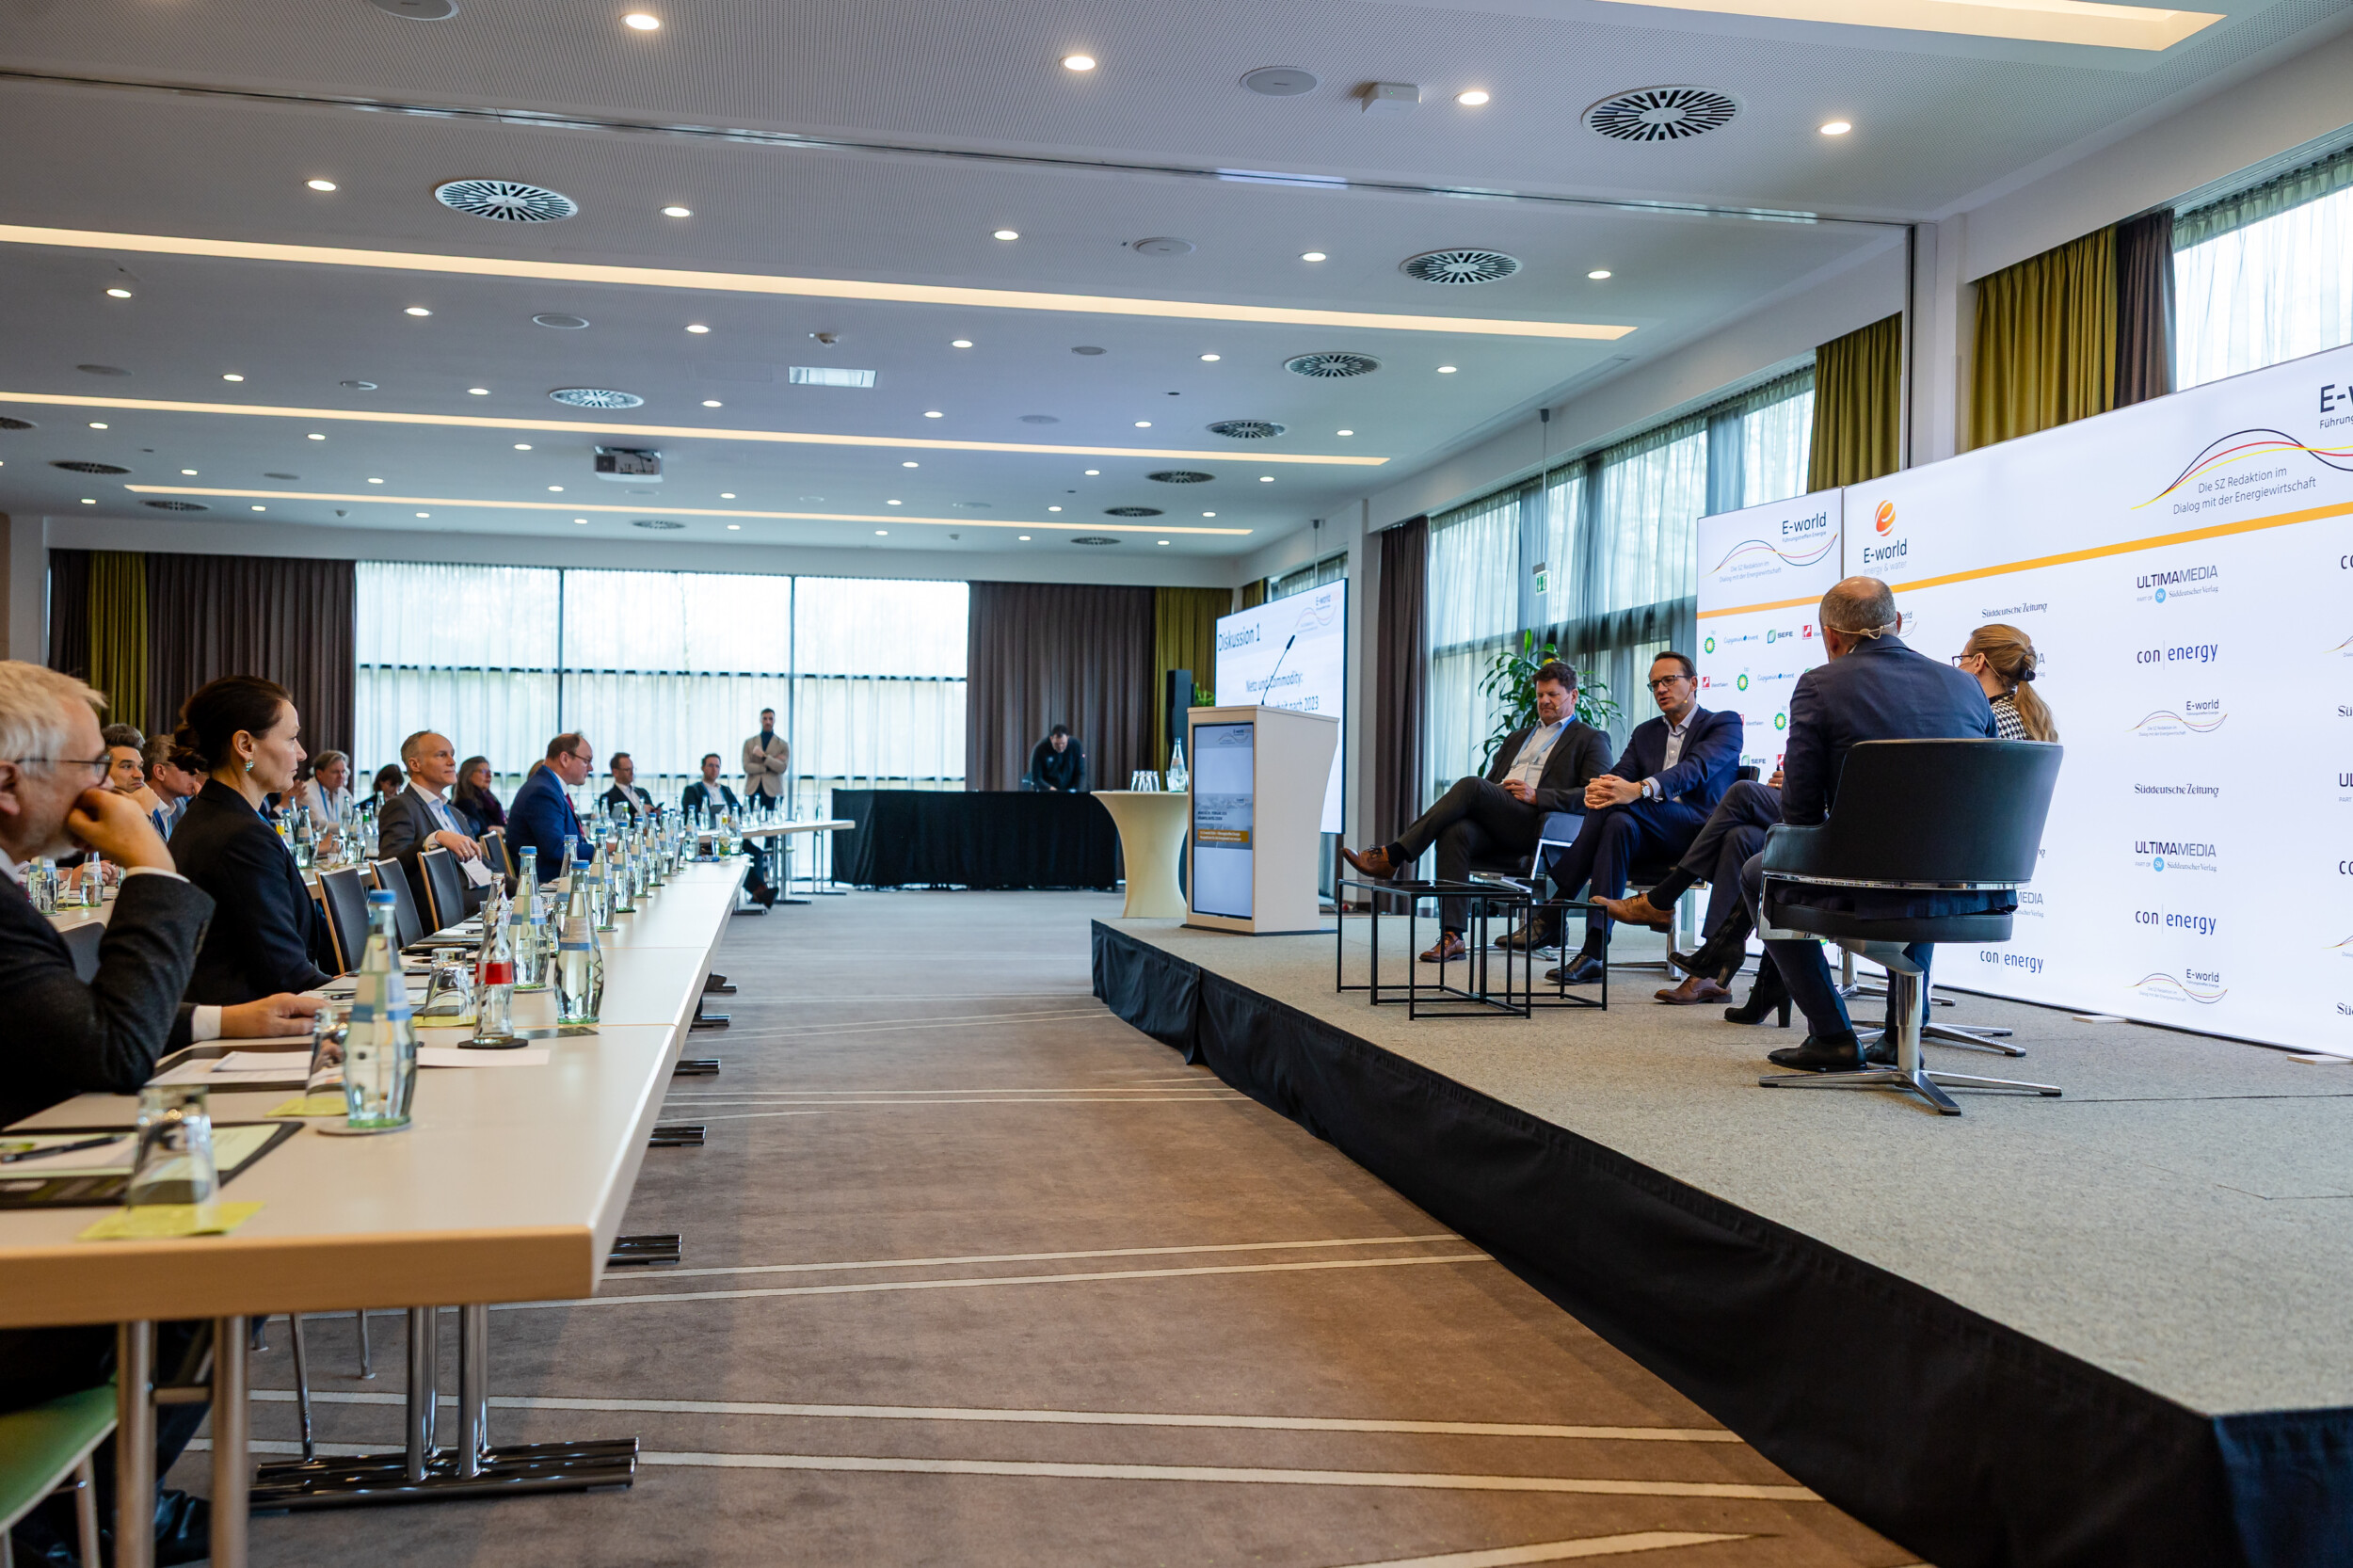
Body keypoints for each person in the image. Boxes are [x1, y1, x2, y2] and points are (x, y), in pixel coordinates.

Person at [1742, 577, 2004, 1073]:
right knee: (1929, 851)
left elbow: (1799, 814)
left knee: (1758, 872)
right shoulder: (1967, 686)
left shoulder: (1819, 685)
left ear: (1830, 636)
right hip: (1965, 886)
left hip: (1864, 886)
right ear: (1898, 623)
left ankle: (1832, 1036)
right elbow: (1982, 794)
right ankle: (1903, 1031)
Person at [1337, 662, 1612, 962]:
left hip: (1538, 824)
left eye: (1553, 695)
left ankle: (1394, 855)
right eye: (1540, 695)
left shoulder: (1590, 738)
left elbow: (1595, 794)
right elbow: (1492, 784)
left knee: (1471, 785)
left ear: (1573, 696)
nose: (1545, 701)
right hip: (1502, 820)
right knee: (1455, 832)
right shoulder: (1517, 738)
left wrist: (1538, 796)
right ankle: (1453, 936)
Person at [1530, 653, 1741, 984]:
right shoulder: (1646, 732)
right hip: (1648, 832)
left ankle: (1556, 906)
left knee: (1617, 807)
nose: (1661, 689)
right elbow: (1620, 774)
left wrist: (1640, 789)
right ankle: (1593, 952)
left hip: (1699, 832)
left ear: (1694, 683)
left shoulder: (1723, 724)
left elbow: (1695, 770)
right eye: (1654, 684)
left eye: (1669, 680)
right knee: (1616, 821)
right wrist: (1599, 788)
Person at [168, 675, 336, 1004]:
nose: (302, 754)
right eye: (291, 739)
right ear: (246, 745)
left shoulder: (223, 815)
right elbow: (285, 973)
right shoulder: (239, 835)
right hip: (252, 1022)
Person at [376, 730, 487, 913]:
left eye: (452, 755)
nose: (452, 762)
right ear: (415, 764)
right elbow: (389, 868)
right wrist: (433, 839)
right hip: (454, 915)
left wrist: (526, 890)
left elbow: (484, 865)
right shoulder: (401, 806)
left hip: (487, 906)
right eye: (442, 755)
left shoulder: (453, 812)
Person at [680, 753, 776, 906]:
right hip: (709, 842)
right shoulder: (693, 790)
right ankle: (760, 892)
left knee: (756, 852)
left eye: (717, 766)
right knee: (735, 859)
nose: (714, 769)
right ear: (703, 768)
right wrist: (720, 818)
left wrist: (736, 818)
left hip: (731, 836)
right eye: (710, 765)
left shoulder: (725, 790)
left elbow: (739, 809)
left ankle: (760, 890)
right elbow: (691, 816)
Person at [1955, 623, 2058, 742]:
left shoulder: (1985, 723)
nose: (1958, 667)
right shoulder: (2028, 714)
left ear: (1978, 662)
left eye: (1962, 658)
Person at [509, 732, 596, 870]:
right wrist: (600, 849)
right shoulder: (542, 792)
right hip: (548, 878)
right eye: (586, 761)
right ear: (565, 759)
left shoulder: (549, 786)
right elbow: (558, 850)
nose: (591, 768)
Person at [140, 734, 203, 841]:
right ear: (160, 772)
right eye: (186, 766)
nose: (195, 772)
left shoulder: (181, 805)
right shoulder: (138, 807)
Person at [292, 747, 354, 828]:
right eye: (335, 772)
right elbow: (318, 824)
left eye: (343, 771)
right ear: (319, 774)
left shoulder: (343, 792)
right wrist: (350, 827)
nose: (341, 776)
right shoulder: (306, 790)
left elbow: (357, 817)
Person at [743, 708, 788, 808]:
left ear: (774, 720)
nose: (768, 722)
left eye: (770, 719)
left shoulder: (783, 745)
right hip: (752, 789)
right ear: (760, 720)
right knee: (749, 817)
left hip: (774, 790)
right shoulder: (749, 743)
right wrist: (772, 762)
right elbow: (746, 767)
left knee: (773, 817)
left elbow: (782, 768)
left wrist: (764, 757)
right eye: (765, 718)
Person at [1025, 725, 1088, 793]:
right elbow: (1036, 778)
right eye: (1057, 744)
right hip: (1048, 791)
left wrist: (1076, 790)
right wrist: (1050, 789)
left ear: (1068, 738)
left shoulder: (1076, 746)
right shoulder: (1040, 749)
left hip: (1070, 790)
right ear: (1051, 739)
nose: (1060, 747)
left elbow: (1080, 772)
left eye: (1063, 743)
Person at [455, 755, 506, 832]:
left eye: (489, 772)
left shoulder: (490, 801)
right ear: (468, 775)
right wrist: (504, 830)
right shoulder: (465, 804)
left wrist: (503, 830)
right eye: (483, 771)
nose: (489, 776)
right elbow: (485, 831)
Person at [601, 752, 654, 818]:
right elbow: (613, 820)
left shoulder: (643, 792)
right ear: (615, 772)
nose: (632, 773)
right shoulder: (608, 798)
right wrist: (640, 813)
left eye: (632, 769)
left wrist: (656, 812)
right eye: (627, 770)